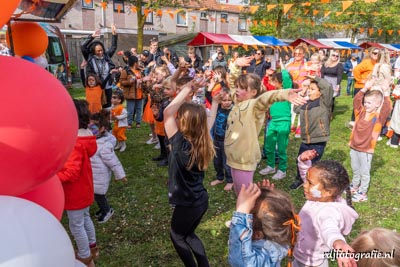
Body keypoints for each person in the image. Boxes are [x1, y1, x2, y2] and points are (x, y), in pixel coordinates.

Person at [226, 57, 306, 195]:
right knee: (239, 192)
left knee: (244, 194)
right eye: (238, 87)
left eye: (242, 88)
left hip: (244, 159)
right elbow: (232, 83)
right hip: (234, 158)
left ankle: (247, 213)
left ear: (253, 92)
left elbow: (267, 97)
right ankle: (244, 211)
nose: (237, 90)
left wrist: (285, 93)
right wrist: (235, 66)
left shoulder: (254, 106)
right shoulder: (238, 101)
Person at [163, 78, 216, 267]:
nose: (175, 117)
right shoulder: (203, 141)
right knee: (189, 234)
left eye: (179, 116)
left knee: (176, 235)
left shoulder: (179, 144)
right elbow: (207, 121)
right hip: (200, 200)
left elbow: (167, 112)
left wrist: (187, 88)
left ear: (183, 122)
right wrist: (213, 102)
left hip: (189, 204)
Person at [293, 158, 358, 267]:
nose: (304, 185)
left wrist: (338, 243)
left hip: (312, 262)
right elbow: (309, 176)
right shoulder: (318, 196)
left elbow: (329, 230)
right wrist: (303, 162)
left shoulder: (328, 213)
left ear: (328, 192)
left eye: (309, 183)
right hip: (300, 253)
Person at [57, 99, 98, 267]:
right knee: (85, 218)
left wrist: (53, 178)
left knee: (76, 225)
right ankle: (93, 247)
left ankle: (85, 256)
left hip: (75, 192)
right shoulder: (87, 136)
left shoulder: (75, 143)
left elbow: (71, 172)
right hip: (85, 188)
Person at [228, 181, 300, 267]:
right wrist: (270, 201)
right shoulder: (281, 233)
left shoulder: (262, 253)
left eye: (249, 217)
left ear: (258, 234)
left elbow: (243, 262)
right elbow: (275, 215)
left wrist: (242, 212)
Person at [349, 78, 392, 202]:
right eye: (366, 102)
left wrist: (386, 92)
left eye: (369, 103)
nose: (366, 104)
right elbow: (357, 100)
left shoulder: (378, 118)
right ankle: (355, 185)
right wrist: (365, 88)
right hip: (354, 146)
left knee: (364, 171)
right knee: (355, 168)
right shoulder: (360, 113)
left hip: (366, 150)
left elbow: (387, 107)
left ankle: (362, 192)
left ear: (377, 104)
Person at [290, 76, 333, 190]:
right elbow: (296, 109)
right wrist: (303, 94)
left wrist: (314, 77)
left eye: (312, 89)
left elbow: (328, 87)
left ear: (320, 92)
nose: (309, 91)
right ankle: (300, 179)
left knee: (312, 164)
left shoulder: (324, 103)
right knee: (300, 160)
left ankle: (311, 184)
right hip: (305, 139)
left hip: (318, 140)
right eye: (309, 88)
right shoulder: (306, 102)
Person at [89, 110, 127, 223]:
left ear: (103, 129)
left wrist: (120, 175)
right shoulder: (92, 140)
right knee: (96, 194)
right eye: (89, 125)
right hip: (93, 174)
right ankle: (103, 208)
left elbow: (113, 162)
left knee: (99, 194)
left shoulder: (104, 145)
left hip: (100, 176)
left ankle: (107, 210)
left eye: (94, 126)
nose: (91, 129)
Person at [259, 60, 292, 180]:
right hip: (272, 121)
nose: (272, 83)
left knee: (282, 147)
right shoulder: (273, 93)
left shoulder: (286, 90)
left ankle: (282, 170)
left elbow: (287, 78)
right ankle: (271, 166)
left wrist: (282, 66)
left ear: (281, 83)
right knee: (269, 145)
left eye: (274, 81)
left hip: (283, 121)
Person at [81, 24, 118, 109]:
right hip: (95, 86)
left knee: (107, 106)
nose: (100, 52)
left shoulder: (106, 56)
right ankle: (96, 120)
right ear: (93, 51)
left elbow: (113, 47)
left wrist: (114, 35)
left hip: (107, 85)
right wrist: (91, 37)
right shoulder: (90, 58)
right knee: (94, 106)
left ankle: (106, 121)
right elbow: (83, 47)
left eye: (101, 50)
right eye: (98, 51)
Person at [209, 87, 234, 191]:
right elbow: (209, 96)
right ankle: (220, 178)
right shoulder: (217, 108)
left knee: (226, 162)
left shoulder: (234, 110)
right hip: (216, 139)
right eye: (224, 100)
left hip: (227, 141)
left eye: (229, 100)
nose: (227, 102)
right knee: (217, 161)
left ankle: (230, 180)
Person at [350, 47, 381, 124]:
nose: (376, 55)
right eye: (374, 53)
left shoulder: (378, 63)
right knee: (359, 104)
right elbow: (356, 70)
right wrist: (360, 80)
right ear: (371, 54)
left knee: (367, 105)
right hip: (361, 87)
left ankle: (364, 120)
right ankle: (354, 121)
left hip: (371, 87)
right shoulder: (367, 62)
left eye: (378, 53)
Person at [286, 43, 309, 137]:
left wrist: (305, 89)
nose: (297, 56)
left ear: (303, 54)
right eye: (295, 54)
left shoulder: (307, 65)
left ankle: (299, 127)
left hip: (303, 90)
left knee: (301, 109)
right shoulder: (289, 65)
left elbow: (310, 77)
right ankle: (291, 125)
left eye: (299, 54)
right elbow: (286, 78)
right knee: (291, 109)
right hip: (292, 90)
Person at [119, 56, 144, 129]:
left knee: (139, 109)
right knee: (130, 110)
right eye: (137, 62)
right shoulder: (126, 71)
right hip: (131, 94)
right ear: (135, 63)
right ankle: (129, 123)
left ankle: (138, 123)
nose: (138, 63)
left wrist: (143, 81)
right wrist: (129, 82)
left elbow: (143, 79)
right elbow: (121, 82)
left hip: (140, 93)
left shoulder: (140, 71)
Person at [321, 49, 343, 117]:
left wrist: (338, 85)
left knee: (331, 99)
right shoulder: (325, 63)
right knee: (323, 98)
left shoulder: (339, 65)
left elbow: (339, 75)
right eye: (333, 55)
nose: (335, 57)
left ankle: (330, 113)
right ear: (330, 56)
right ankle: (323, 112)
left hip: (334, 82)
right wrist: (321, 82)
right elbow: (322, 73)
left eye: (337, 56)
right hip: (325, 81)